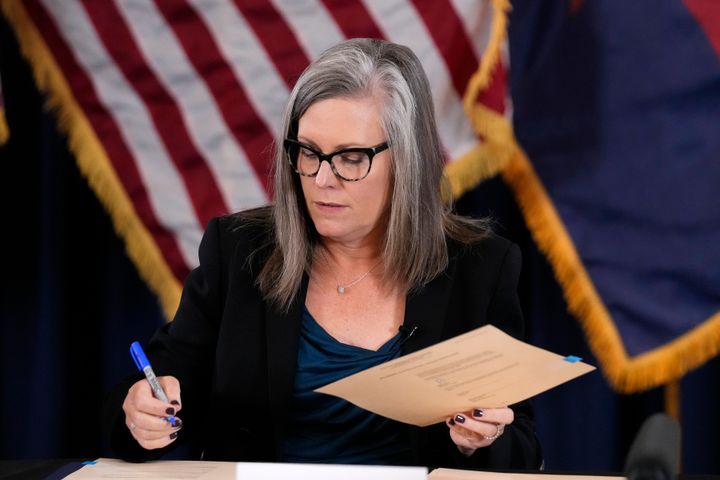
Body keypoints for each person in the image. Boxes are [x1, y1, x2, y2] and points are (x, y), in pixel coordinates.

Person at [104, 38, 542, 470]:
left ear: (408, 161)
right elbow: (158, 385)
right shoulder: (239, 250)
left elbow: (524, 448)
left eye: (351, 158)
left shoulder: (481, 267)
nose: (321, 179)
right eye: (308, 153)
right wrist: (143, 414)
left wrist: (479, 441)